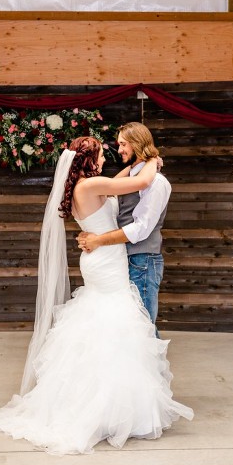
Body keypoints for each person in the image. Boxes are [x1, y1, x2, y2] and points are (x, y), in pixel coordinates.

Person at [0, 136, 193, 456]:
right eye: (99, 156)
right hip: (106, 259)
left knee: (100, 321)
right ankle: (110, 407)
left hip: (100, 258)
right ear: (89, 162)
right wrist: (152, 160)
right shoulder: (92, 185)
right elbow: (142, 180)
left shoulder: (86, 185)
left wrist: (140, 167)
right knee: (115, 321)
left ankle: (103, 400)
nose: (105, 159)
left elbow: (119, 181)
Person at [77, 122, 169, 334]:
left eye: (123, 144)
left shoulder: (157, 182)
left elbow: (141, 229)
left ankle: (149, 368)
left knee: (142, 327)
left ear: (137, 143)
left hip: (143, 261)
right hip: (120, 260)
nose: (119, 151)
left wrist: (98, 239)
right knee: (126, 327)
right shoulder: (130, 179)